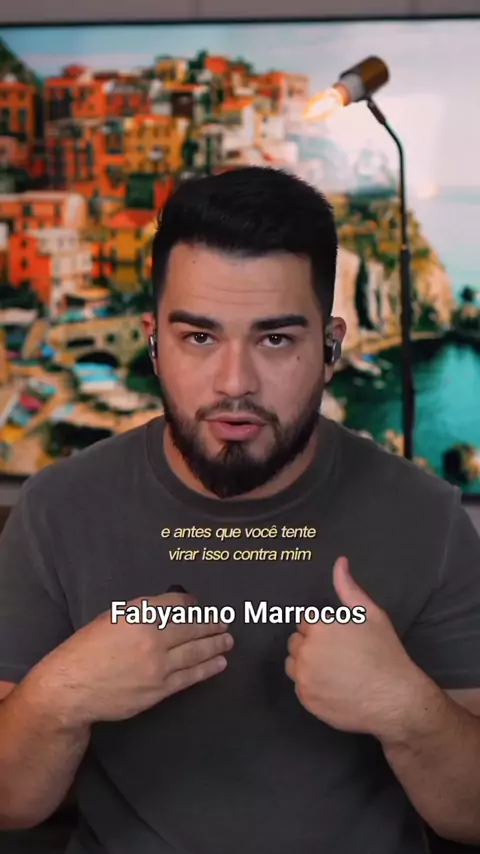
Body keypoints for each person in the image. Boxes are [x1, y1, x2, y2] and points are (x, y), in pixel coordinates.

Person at [0, 166, 480, 854]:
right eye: (199, 337)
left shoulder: (428, 519)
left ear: (331, 347)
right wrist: (63, 693)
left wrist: (405, 709)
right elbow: (10, 804)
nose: (235, 383)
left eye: (275, 339)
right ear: (153, 341)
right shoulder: (57, 510)